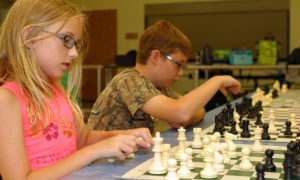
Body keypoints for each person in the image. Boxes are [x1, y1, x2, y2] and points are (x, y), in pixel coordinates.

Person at [0, 0, 152, 179]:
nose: (74, 53)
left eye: (76, 44)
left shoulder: (58, 90)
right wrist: (93, 152)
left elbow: (84, 139)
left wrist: (124, 135)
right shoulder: (7, 100)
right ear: (28, 38)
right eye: (66, 39)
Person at [87, 20, 241, 134]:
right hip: (102, 167)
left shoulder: (156, 87)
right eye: (178, 64)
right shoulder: (129, 81)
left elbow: (196, 110)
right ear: (156, 57)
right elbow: (182, 112)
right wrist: (217, 80)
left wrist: (185, 118)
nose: (180, 73)